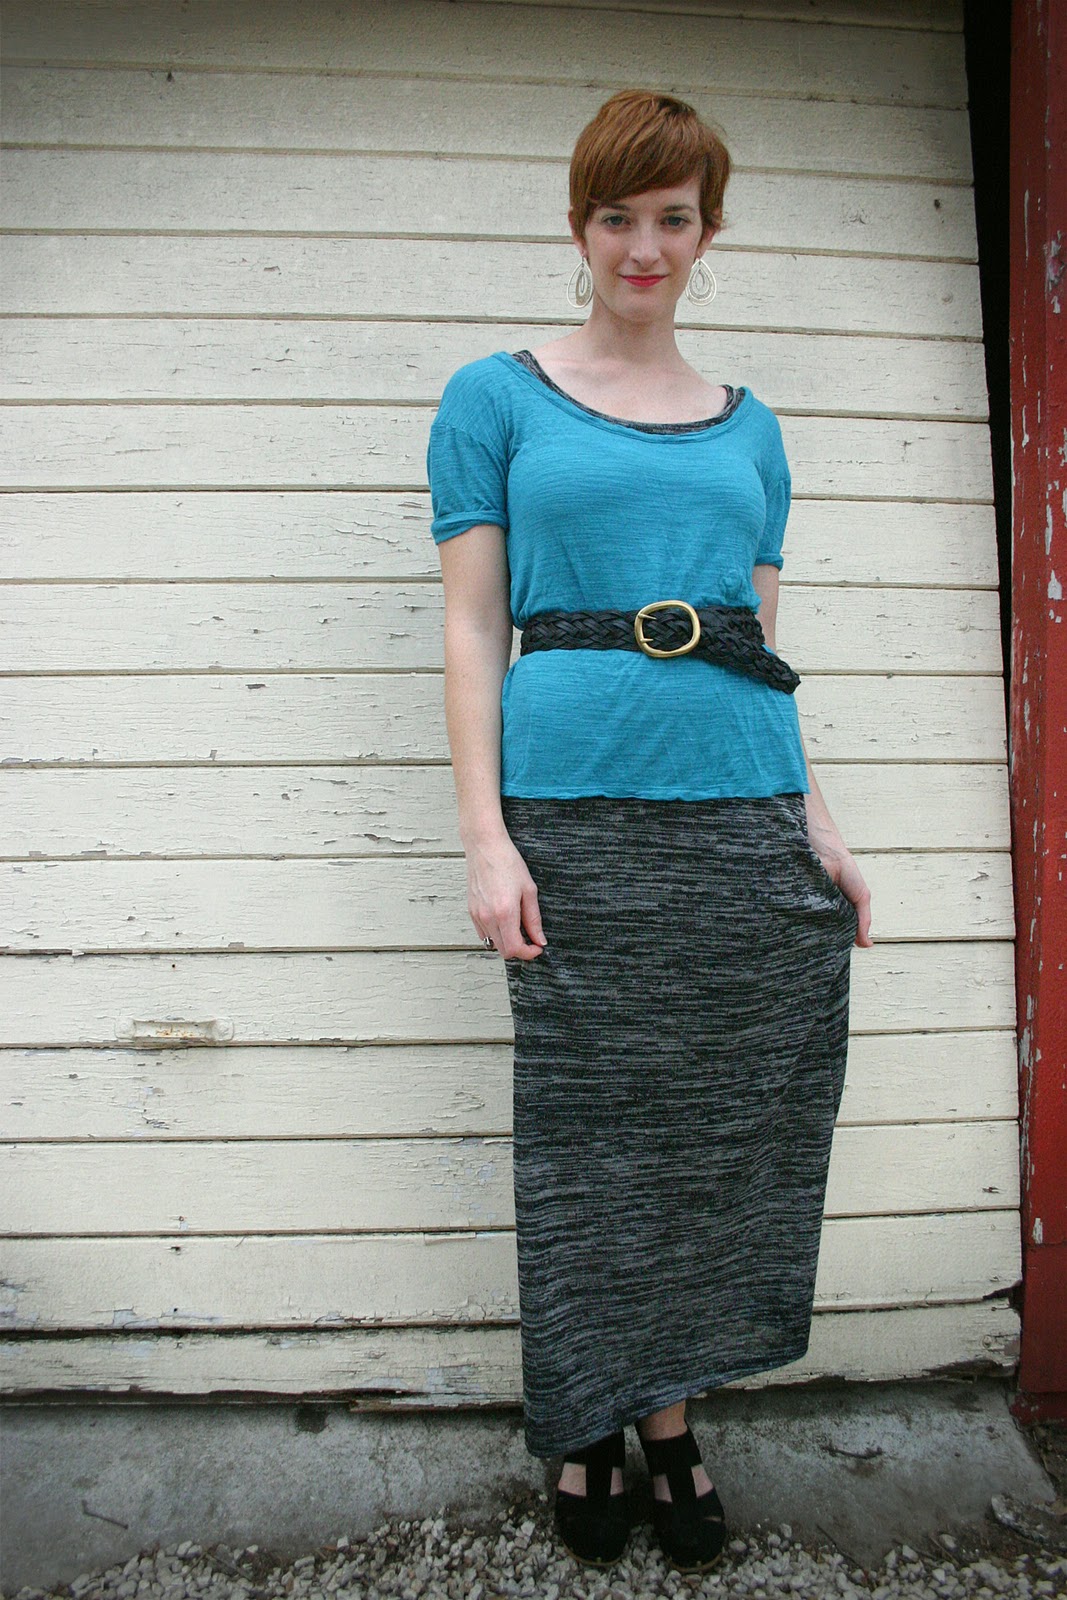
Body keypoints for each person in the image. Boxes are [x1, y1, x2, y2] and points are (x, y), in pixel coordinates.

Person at [426, 88, 873, 1575]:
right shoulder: (496, 398)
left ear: (706, 232)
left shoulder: (754, 430)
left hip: (740, 810)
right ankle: (583, 1421)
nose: (643, 244)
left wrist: (820, 826)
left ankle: (667, 1418)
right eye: (616, 215)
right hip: (576, 816)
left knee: (709, 1134)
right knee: (587, 1139)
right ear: (579, 226)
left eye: (672, 217)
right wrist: (486, 838)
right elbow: (472, 627)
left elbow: (763, 647)